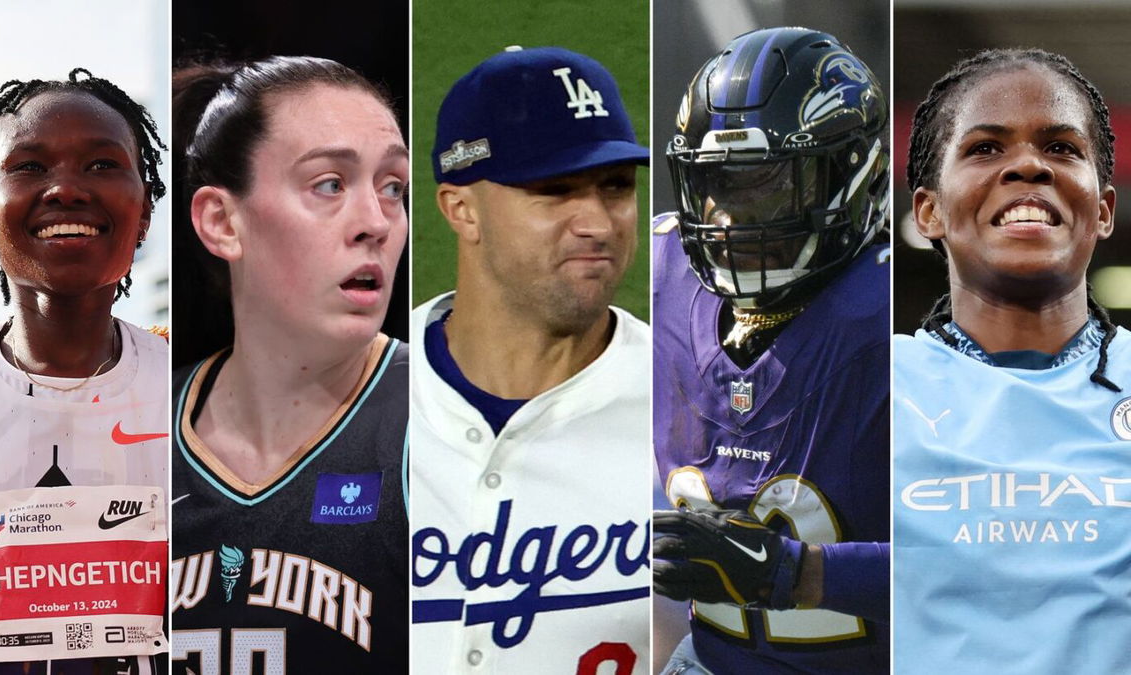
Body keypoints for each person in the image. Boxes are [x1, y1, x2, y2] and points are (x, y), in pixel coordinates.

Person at [651, 27, 892, 674]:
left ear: (851, 174)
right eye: (718, 183)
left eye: (764, 182)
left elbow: (982, 564)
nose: (727, 218)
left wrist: (796, 572)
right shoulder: (662, 270)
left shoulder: (901, 322)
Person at [408, 46, 652, 674]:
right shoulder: (358, 389)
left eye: (616, 187)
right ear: (461, 209)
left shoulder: (688, 404)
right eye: (554, 190)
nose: (597, 221)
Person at [169, 56, 409, 673]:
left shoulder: (439, 420)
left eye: (393, 188)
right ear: (222, 222)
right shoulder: (137, 431)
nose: (376, 223)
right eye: (329, 184)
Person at [895, 48, 1131, 673]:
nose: (1028, 165)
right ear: (929, 211)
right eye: (985, 149)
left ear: (1101, 210)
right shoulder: (863, 384)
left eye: (1060, 148)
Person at [0, 69, 170, 674]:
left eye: (100, 165)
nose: (65, 189)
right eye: (29, 166)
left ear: (143, 210)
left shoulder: (194, 380)